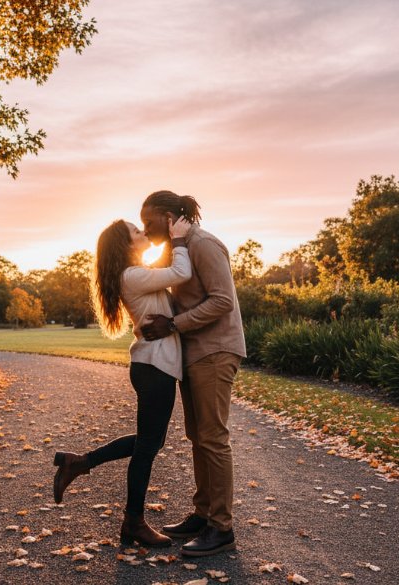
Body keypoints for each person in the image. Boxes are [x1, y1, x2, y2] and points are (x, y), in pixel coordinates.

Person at [52, 215, 192, 547]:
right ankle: (133, 522)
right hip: (154, 368)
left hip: (153, 367)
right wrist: (179, 239)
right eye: (135, 230)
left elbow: (166, 271)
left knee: (150, 442)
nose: (142, 232)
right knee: (147, 447)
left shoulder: (136, 273)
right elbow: (181, 272)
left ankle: (79, 462)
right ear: (125, 245)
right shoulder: (133, 275)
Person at [139, 190, 246, 558]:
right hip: (195, 353)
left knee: (213, 437)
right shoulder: (180, 247)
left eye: (148, 221)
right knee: (198, 437)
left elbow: (222, 300)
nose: (145, 228)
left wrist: (173, 324)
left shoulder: (204, 244)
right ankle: (203, 515)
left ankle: (222, 527)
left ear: (169, 217)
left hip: (216, 351)